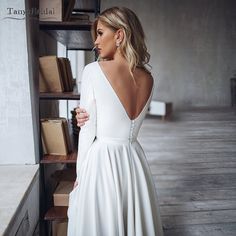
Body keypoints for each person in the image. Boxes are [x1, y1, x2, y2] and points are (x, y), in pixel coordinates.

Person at [67, 6, 163, 236]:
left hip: (102, 162)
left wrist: (80, 178)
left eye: (100, 33)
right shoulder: (148, 79)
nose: (95, 42)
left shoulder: (93, 71)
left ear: (119, 35)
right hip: (134, 161)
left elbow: (88, 131)